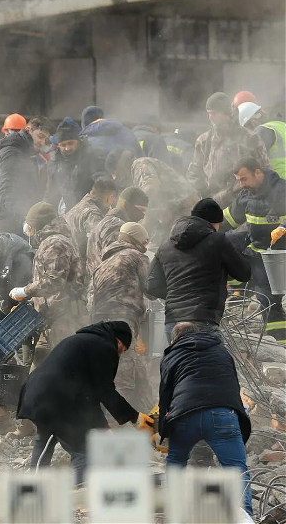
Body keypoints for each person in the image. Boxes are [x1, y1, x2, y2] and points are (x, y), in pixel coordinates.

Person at [16, 320, 155, 486]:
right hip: (55, 399)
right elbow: (105, 390)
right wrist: (135, 417)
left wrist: (102, 426)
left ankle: (36, 485)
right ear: (119, 341)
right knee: (81, 449)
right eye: (122, 350)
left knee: (45, 439)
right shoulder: (105, 347)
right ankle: (79, 488)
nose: (120, 355)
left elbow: (91, 396)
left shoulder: (84, 341)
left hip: (42, 394)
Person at [159, 322, 253, 518]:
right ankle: (245, 517)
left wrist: (162, 429)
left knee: (176, 462)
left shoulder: (172, 353)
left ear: (174, 340)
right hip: (222, 414)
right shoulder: (221, 351)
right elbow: (233, 384)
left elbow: (165, 394)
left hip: (184, 415)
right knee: (236, 470)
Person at [146, 198, 251, 340]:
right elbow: (244, 274)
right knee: (209, 355)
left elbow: (151, 285)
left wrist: (177, 294)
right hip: (203, 320)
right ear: (214, 222)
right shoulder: (217, 240)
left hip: (173, 323)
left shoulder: (166, 245)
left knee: (179, 355)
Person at [10, 202, 86, 366]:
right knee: (40, 375)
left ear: (37, 225)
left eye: (30, 226)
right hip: (52, 321)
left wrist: (26, 291)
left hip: (64, 321)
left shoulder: (55, 244)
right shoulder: (50, 242)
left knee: (64, 371)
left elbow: (54, 281)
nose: (28, 231)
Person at [221, 158, 286, 340]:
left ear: (258, 172)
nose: (241, 185)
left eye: (244, 179)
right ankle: (238, 287)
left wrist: (283, 227)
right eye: (239, 180)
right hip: (257, 248)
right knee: (222, 242)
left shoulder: (281, 190)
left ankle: (280, 341)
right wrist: (204, 229)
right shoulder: (247, 195)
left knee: (267, 298)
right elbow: (227, 220)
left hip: (278, 255)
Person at [92, 222, 153, 411]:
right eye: (145, 241)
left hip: (99, 325)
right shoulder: (135, 256)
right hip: (122, 323)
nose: (146, 245)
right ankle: (114, 424)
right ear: (136, 240)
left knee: (139, 376)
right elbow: (151, 289)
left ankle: (150, 421)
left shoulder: (102, 263)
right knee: (122, 379)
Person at [187, 92, 269, 207]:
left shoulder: (249, 138)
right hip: (211, 203)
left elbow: (264, 170)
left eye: (214, 113)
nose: (210, 117)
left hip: (243, 202)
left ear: (226, 113)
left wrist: (238, 192)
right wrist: (204, 194)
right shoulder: (204, 140)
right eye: (209, 113)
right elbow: (194, 172)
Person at [107, 151, 199, 247]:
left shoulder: (139, 164)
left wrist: (143, 220)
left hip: (184, 209)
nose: (118, 177)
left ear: (119, 166)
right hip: (176, 212)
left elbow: (151, 186)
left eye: (115, 173)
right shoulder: (137, 170)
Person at [0, 117, 55, 234]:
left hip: (12, 223)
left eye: (45, 139)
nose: (42, 142)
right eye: (40, 136)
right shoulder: (12, 154)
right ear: (28, 129)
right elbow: (7, 193)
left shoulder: (24, 153)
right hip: (5, 226)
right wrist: (24, 219)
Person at [85, 187, 149, 277]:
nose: (142, 216)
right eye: (141, 210)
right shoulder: (115, 226)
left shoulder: (110, 221)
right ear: (126, 205)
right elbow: (116, 264)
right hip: (108, 281)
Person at [44, 118, 102, 212]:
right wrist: (44, 210)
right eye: (63, 145)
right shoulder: (55, 163)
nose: (67, 148)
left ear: (78, 141)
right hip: (67, 210)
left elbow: (100, 177)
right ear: (58, 146)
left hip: (90, 209)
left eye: (70, 143)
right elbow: (51, 192)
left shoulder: (90, 156)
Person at [64, 178, 117, 260]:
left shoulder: (79, 206)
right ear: (110, 197)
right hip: (80, 262)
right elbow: (99, 241)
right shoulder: (92, 214)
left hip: (68, 257)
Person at [237, 101, 286, 179]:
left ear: (253, 122)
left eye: (247, 128)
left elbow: (253, 161)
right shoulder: (281, 125)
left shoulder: (262, 131)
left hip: (280, 181)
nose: (248, 132)